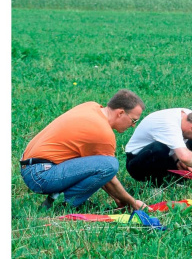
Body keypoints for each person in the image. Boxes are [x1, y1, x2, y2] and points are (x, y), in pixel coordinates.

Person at [20, 89, 148, 210]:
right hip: (41, 175)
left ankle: (67, 199)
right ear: (120, 113)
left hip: (31, 167)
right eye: (133, 120)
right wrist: (132, 202)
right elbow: (108, 173)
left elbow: (97, 170)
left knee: (104, 165)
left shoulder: (91, 106)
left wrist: (118, 198)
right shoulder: (103, 133)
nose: (132, 126)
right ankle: (66, 203)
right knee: (111, 164)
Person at [125, 107, 192, 185]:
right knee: (160, 149)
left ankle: (181, 177)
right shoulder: (169, 123)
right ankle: (156, 184)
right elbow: (184, 156)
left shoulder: (191, 117)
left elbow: (177, 148)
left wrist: (178, 159)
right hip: (138, 163)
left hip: (166, 156)